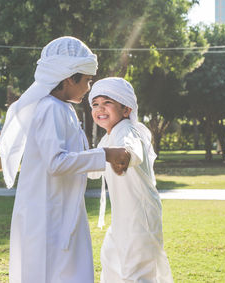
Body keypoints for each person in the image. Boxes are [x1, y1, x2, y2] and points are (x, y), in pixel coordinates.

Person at [0, 37, 130, 283]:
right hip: (47, 215)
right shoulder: (49, 108)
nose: (89, 87)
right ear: (69, 78)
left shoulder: (64, 109)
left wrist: (106, 161)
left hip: (64, 210)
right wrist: (106, 155)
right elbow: (57, 163)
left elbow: (77, 159)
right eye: (87, 81)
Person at [88, 77, 174, 283]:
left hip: (140, 218)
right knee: (112, 264)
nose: (100, 108)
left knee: (137, 272)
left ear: (126, 110)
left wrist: (123, 156)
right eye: (95, 104)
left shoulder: (128, 130)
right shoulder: (108, 138)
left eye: (107, 102)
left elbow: (132, 150)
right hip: (122, 219)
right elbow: (92, 171)